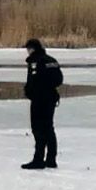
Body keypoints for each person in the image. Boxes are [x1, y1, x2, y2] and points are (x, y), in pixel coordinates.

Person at [22, 38, 63, 170]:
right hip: (51, 98)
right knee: (49, 128)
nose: (27, 52)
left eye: (28, 49)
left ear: (32, 49)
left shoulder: (36, 61)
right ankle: (51, 159)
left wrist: (30, 92)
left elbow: (34, 81)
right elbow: (59, 79)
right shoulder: (51, 60)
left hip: (40, 100)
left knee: (38, 129)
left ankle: (38, 159)